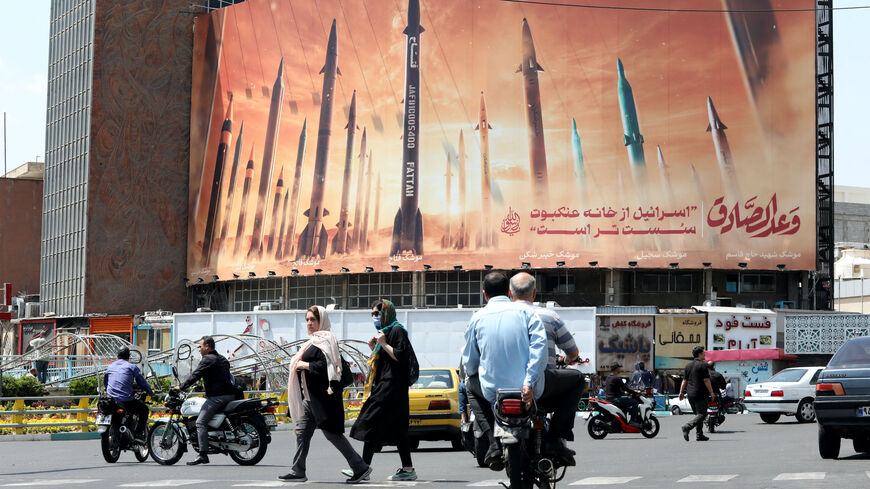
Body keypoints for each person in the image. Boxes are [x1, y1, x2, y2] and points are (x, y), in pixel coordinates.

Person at [462, 272, 548, 467]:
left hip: (492, 392)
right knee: (574, 381)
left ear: (484, 294)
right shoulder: (527, 313)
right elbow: (539, 348)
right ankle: (557, 437)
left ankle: (493, 443)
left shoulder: (477, 318)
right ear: (509, 292)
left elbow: (470, 363)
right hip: (529, 391)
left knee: (469, 386)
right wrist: (529, 382)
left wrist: (474, 371)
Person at [279, 306, 371, 484]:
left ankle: (360, 467)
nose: (309, 323)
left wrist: (304, 365)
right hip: (310, 399)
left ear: (322, 321)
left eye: (313, 319)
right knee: (302, 433)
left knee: (332, 434)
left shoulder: (327, 340)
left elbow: (326, 368)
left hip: (323, 400)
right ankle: (298, 471)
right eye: (307, 320)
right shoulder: (313, 341)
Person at [510, 272, 582, 456]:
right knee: (578, 380)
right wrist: (568, 360)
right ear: (534, 293)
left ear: (510, 294)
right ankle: (557, 435)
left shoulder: (499, 317)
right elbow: (573, 352)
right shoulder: (549, 316)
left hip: (506, 384)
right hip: (543, 384)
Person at [349, 300, 418, 482]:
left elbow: (402, 357)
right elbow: (385, 362)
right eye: (372, 314)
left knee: (369, 420)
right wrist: (376, 347)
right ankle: (407, 468)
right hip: (390, 387)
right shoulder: (385, 333)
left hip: (391, 387)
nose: (375, 318)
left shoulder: (397, 330)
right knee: (398, 429)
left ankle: (361, 467)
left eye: (377, 314)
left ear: (387, 313)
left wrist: (384, 344)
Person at [175, 335, 238, 465]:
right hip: (230, 395)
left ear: (207, 347)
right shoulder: (222, 359)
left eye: (200, 346)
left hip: (217, 397)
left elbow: (195, 375)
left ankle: (203, 454)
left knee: (200, 422)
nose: (199, 349)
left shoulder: (207, 359)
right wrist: (204, 386)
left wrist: (181, 387)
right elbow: (219, 377)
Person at [104, 347, 154, 443]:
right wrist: (150, 391)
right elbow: (142, 382)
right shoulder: (132, 367)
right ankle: (139, 434)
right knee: (144, 409)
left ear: (117, 356)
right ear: (129, 357)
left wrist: (108, 391)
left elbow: (106, 383)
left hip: (110, 400)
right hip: (125, 401)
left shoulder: (110, 366)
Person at [679, 346, 717, 442]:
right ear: (699, 354)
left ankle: (699, 435)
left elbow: (684, 381)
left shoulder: (688, 366)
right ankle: (687, 427)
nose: (704, 354)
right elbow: (706, 380)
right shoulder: (703, 365)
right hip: (700, 393)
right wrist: (712, 392)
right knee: (702, 414)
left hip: (690, 394)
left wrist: (681, 392)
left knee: (698, 415)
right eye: (703, 353)